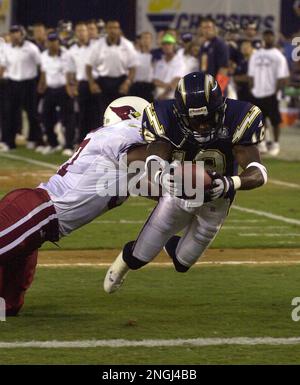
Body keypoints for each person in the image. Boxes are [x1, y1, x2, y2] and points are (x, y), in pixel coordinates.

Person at [103, 71, 268, 294]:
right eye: (194, 119)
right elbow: (154, 156)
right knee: (139, 258)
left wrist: (230, 183)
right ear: (180, 114)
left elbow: (258, 172)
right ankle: (124, 262)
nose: (201, 126)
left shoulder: (240, 116)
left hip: (217, 199)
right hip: (177, 193)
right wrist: (161, 176)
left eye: (207, 117)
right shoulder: (163, 114)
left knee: (182, 264)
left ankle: (171, 244)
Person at [0, 96, 150, 316]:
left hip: (40, 225)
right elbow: (151, 162)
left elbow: (161, 186)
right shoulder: (121, 135)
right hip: (37, 212)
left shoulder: (124, 161)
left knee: (6, 307)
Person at [86, 20, 138, 125]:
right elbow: (88, 66)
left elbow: (133, 67)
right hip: (103, 82)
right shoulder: (98, 45)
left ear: (119, 30)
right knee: (103, 113)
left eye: (115, 28)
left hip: (121, 81)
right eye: (110, 28)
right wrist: (92, 83)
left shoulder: (127, 45)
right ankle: (104, 138)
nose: (113, 30)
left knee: (122, 114)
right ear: (106, 30)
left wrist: (127, 82)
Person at [248, 30, 290, 156]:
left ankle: (276, 144)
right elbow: (251, 74)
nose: (268, 38)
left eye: (271, 36)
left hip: (271, 93)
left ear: (274, 38)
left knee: (275, 121)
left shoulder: (278, 56)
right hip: (257, 93)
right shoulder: (255, 55)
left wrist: (276, 92)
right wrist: (252, 89)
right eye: (266, 36)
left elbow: (282, 77)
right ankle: (263, 143)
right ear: (263, 38)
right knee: (261, 121)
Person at [0, 25, 42, 150]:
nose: (14, 35)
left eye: (16, 32)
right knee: (9, 113)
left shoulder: (31, 48)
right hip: (12, 83)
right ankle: (8, 142)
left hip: (29, 83)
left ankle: (34, 139)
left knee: (32, 113)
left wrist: (40, 82)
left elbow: (41, 65)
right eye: (12, 32)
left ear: (22, 34)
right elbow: (3, 66)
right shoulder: (6, 48)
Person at [37, 32, 75, 156]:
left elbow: (70, 72)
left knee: (68, 118)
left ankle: (69, 145)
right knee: (45, 116)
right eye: (50, 41)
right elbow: (43, 72)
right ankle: (53, 143)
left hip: (64, 89)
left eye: (55, 41)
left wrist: (71, 87)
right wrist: (41, 85)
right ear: (47, 43)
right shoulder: (43, 55)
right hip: (50, 89)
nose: (53, 44)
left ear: (59, 42)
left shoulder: (66, 55)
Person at [66, 22, 99, 143]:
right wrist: (71, 86)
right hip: (82, 84)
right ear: (75, 33)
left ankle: (97, 142)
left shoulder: (96, 46)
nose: (82, 33)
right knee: (82, 114)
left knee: (97, 114)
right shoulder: (72, 50)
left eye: (84, 30)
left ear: (88, 32)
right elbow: (70, 71)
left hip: (97, 83)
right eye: (79, 31)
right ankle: (82, 142)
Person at [198, 18, 230, 94]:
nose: (206, 30)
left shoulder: (220, 44)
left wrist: (219, 90)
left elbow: (224, 69)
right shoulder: (204, 46)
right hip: (205, 87)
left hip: (215, 89)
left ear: (214, 28)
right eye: (204, 28)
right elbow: (203, 67)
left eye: (209, 27)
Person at [153, 33, 186, 100]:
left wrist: (164, 94)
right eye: (164, 44)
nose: (167, 46)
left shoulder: (180, 62)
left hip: (173, 98)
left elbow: (176, 80)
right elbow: (155, 81)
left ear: (174, 46)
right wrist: (167, 86)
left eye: (169, 44)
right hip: (158, 97)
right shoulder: (159, 62)